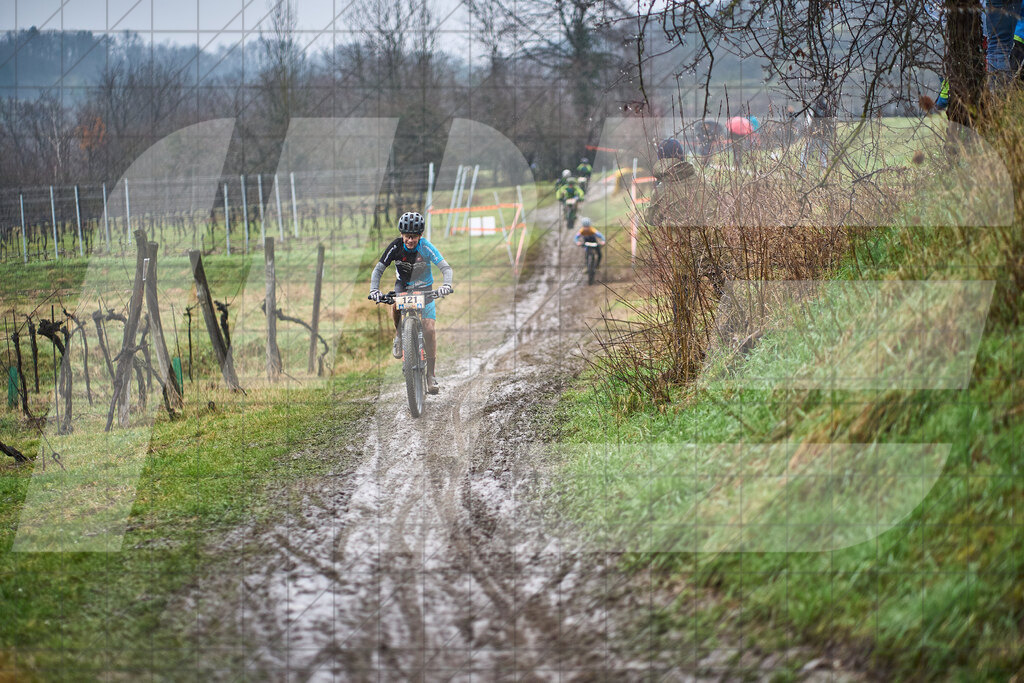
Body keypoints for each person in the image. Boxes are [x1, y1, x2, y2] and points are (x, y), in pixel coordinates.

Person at [368, 211, 454, 394]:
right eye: (407, 237)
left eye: (414, 237)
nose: (410, 241)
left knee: (429, 329)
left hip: (425, 289)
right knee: (395, 303)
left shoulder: (426, 247)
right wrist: (374, 290)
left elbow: (445, 267)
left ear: (420, 236)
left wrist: (446, 285)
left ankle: (431, 375)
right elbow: (378, 270)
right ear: (401, 235)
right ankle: (400, 337)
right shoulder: (395, 247)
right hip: (403, 287)